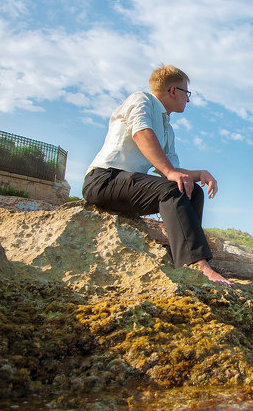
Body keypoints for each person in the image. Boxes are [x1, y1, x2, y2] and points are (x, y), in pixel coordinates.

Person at [82, 65, 231, 286]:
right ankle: (198, 265)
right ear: (173, 91)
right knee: (172, 189)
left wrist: (200, 174)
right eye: (186, 93)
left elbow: (169, 169)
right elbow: (141, 132)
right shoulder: (141, 99)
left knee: (191, 191)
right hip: (104, 180)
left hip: (130, 187)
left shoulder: (167, 128)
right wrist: (171, 172)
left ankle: (181, 261)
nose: (187, 100)